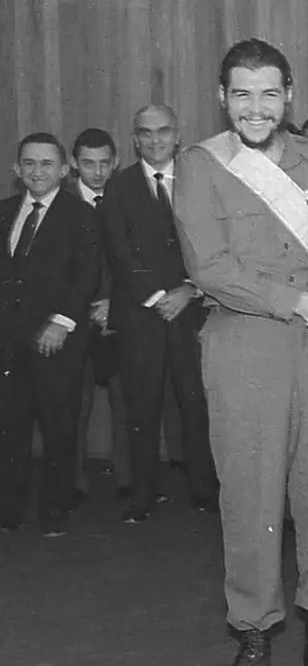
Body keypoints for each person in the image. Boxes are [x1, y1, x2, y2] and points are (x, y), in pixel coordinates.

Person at [174, 38, 308, 666]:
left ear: (289, 94)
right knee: (250, 495)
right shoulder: (201, 166)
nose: (254, 107)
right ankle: (253, 635)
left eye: (268, 93)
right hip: (245, 348)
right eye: (240, 93)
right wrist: (300, 304)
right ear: (222, 97)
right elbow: (211, 270)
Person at [101, 105, 217, 523]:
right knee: (141, 409)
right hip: (142, 316)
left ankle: (206, 492)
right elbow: (117, 250)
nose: (154, 140)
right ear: (134, 138)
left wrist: (189, 290)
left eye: (163, 132)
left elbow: (213, 243)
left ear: (177, 134)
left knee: (197, 406)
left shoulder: (198, 179)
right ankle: (142, 498)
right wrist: (155, 296)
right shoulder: (119, 187)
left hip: (193, 311)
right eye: (145, 133)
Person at [0, 133, 100, 536]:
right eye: (28, 163)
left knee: (59, 426)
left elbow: (86, 276)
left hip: (56, 339)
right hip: (9, 342)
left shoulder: (82, 214)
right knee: (10, 427)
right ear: (16, 170)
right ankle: (8, 510)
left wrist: (61, 322)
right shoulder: (5, 211)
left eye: (46, 164)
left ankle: (54, 513)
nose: (36, 171)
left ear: (63, 170)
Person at [69, 128, 131, 503]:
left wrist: (115, 306)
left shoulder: (127, 198)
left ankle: (128, 479)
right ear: (74, 165)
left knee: (128, 403)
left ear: (116, 162)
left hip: (119, 314)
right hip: (74, 320)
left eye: (104, 163)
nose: (97, 172)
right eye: (88, 164)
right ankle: (73, 481)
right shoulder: (60, 202)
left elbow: (133, 263)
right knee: (73, 404)